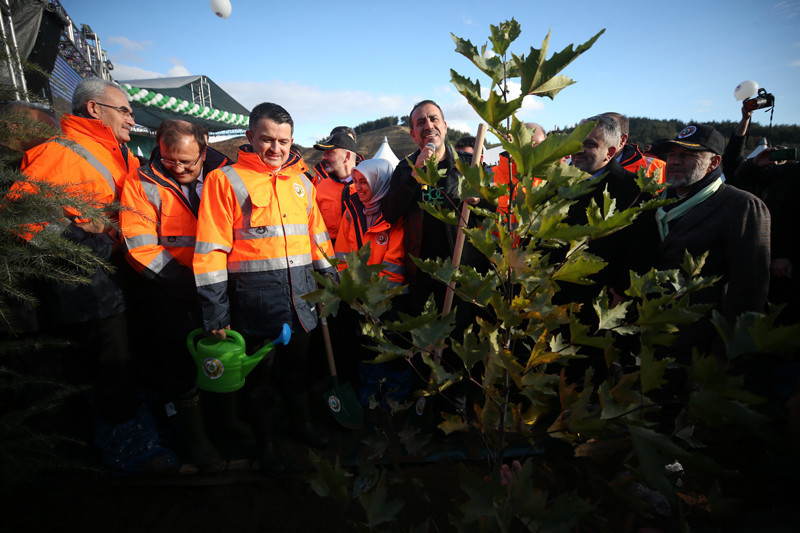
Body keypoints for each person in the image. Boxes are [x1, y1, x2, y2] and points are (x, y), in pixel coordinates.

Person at [16, 77, 177, 474]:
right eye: (124, 110)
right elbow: (23, 220)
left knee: (128, 364)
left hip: (118, 281)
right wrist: (98, 244)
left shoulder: (119, 154)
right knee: (111, 370)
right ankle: (128, 451)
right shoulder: (61, 152)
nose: (131, 118)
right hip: (89, 289)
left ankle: (137, 432)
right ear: (94, 109)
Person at [193, 102, 336, 472]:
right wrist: (215, 312)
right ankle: (266, 445)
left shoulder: (302, 182)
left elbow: (318, 239)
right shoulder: (224, 181)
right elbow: (210, 251)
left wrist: (332, 284)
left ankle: (302, 425)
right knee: (260, 383)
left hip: (301, 298)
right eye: (267, 139)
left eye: (284, 142)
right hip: (254, 304)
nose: (276, 149)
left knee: (298, 371)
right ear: (250, 136)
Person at [120, 119, 231, 471]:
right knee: (180, 367)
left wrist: (218, 287)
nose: (179, 168)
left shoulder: (226, 174)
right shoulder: (140, 182)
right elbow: (139, 247)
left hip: (223, 289)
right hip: (171, 292)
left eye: (187, 161)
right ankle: (196, 439)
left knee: (225, 358)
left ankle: (228, 424)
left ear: (204, 149)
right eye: (170, 160)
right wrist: (191, 285)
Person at [651, 124, 771, 360]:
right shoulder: (655, 201)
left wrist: (726, 348)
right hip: (651, 330)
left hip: (700, 341)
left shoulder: (741, 205)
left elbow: (749, 287)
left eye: (687, 155)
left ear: (714, 163)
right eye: (672, 154)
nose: (674, 161)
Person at [333, 158, 413, 404]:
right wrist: (349, 289)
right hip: (362, 299)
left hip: (392, 298)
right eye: (356, 181)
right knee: (368, 347)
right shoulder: (353, 210)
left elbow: (395, 260)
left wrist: (379, 297)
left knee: (393, 348)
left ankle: (395, 399)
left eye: (364, 182)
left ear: (380, 182)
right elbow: (343, 254)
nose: (357, 187)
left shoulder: (395, 212)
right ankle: (370, 397)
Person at [312, 130, 359, 243]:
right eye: (324, 153)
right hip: (330, 253)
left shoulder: (369, 185)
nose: (323, 157)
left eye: (330, 152)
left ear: (347, 156)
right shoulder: (319, 190)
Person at [600, 112, 666, 182]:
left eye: (608, 132)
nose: (597, 136)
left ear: (622, 140)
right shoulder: (591, 166)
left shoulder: (658, 168)